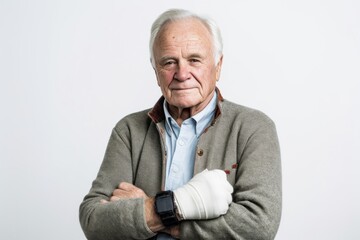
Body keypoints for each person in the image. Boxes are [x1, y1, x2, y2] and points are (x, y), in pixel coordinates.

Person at [79, 8, 281, 240]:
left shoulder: (253, 128)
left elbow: (259, 226)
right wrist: (185, 205)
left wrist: (153, 213)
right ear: (156, 71)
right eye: (169, 62)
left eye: (194, 60)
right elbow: (93, 220)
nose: (182, 73)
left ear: (218, 66)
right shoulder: (129, 130)